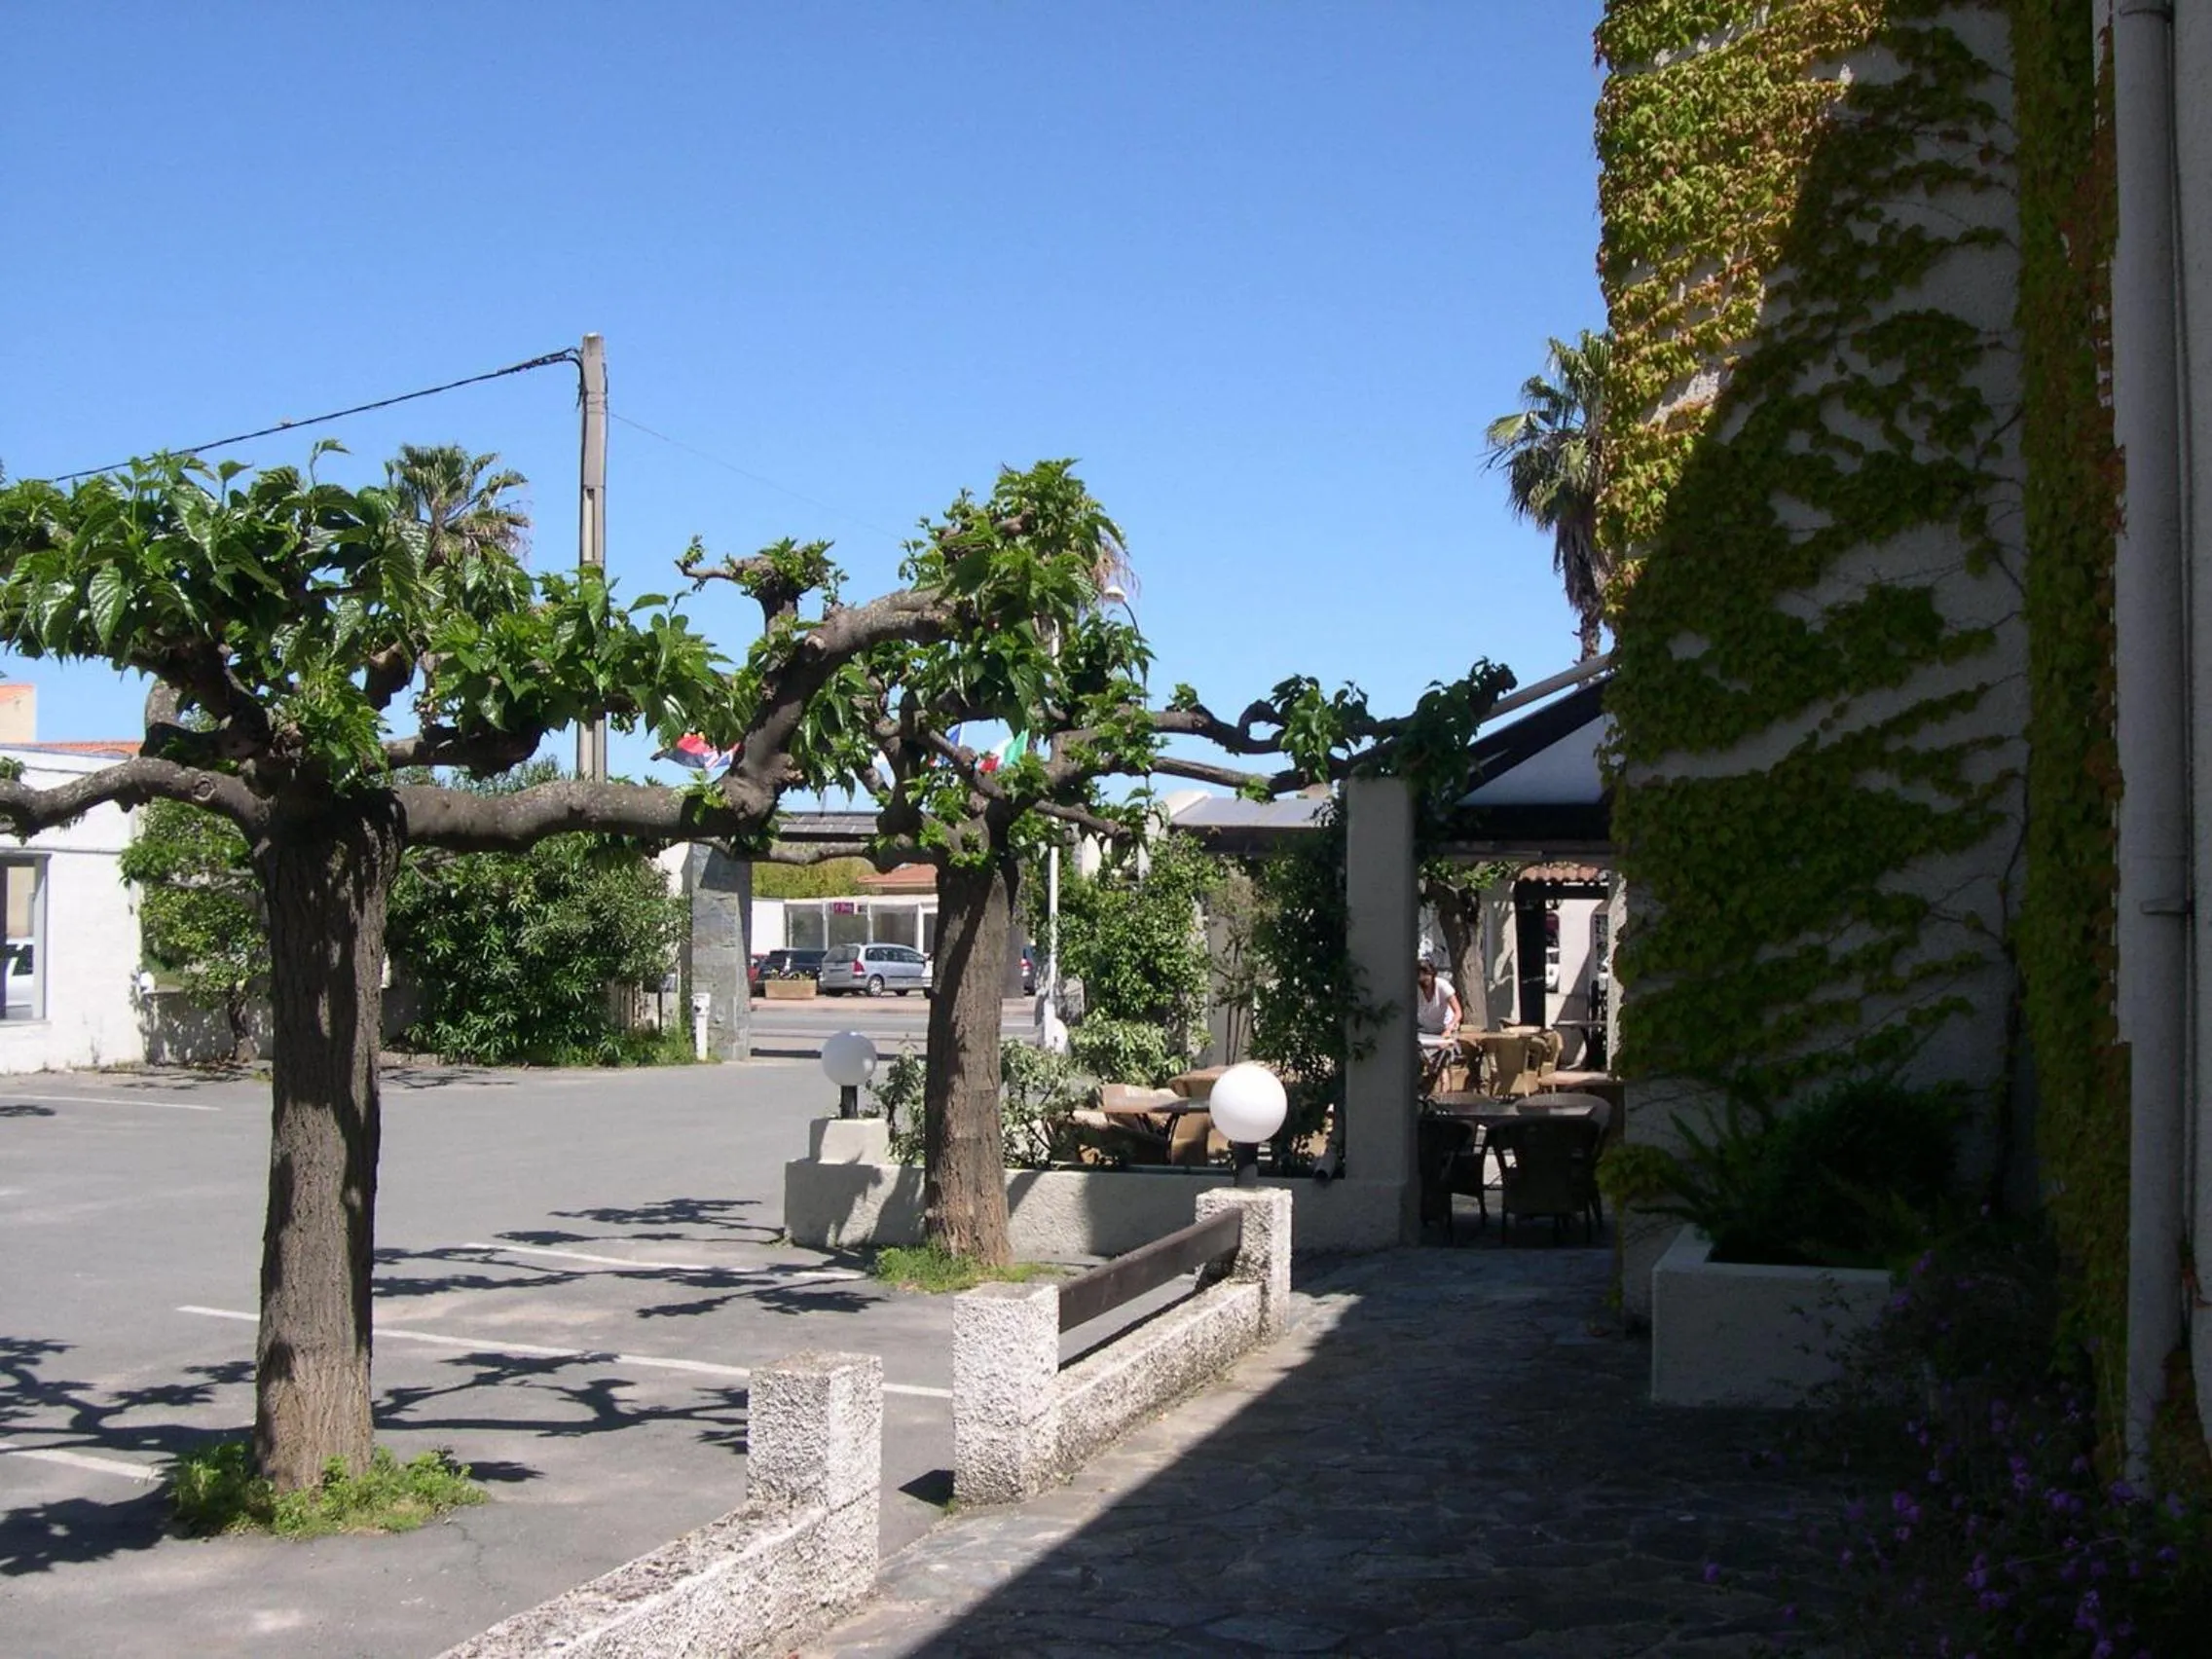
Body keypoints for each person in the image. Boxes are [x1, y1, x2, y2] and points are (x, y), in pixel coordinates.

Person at [1416, 955, 1462, 1039]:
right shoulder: (1417, 988)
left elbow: (1458, 1012)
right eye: (1420, 977)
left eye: (1426, 975)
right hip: (1425, 1030)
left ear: (1432, 974)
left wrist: (1449, 1029)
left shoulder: (1443, 985)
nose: (1423, 979)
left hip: (1445, 1029)